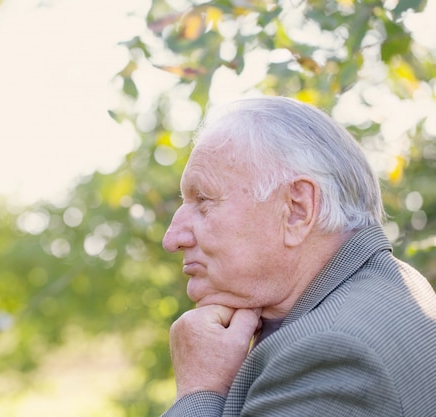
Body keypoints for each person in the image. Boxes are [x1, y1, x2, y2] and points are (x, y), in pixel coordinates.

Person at [160, 96, 436, 416]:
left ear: (296, 210)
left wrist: (200, 390)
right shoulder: (390, 286)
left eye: (203, 200)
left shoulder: (330, 352)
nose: (172, 239)